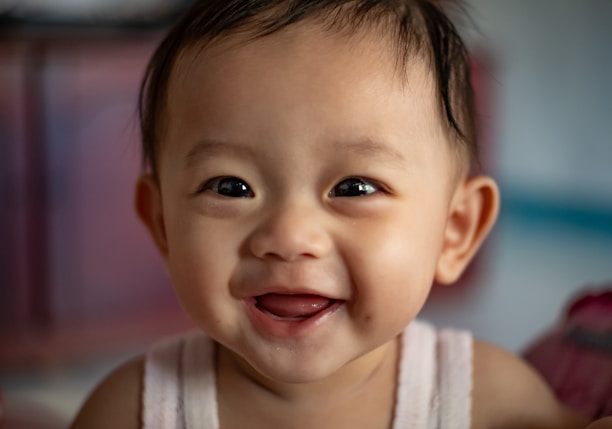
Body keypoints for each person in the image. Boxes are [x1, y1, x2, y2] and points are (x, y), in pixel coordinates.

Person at [70, 0, 611, 428]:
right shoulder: (132, 411)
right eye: (231, 187)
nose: (288, 236)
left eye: (354, 186)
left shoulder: (489, 401)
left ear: (455, 231)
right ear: (162, 224)